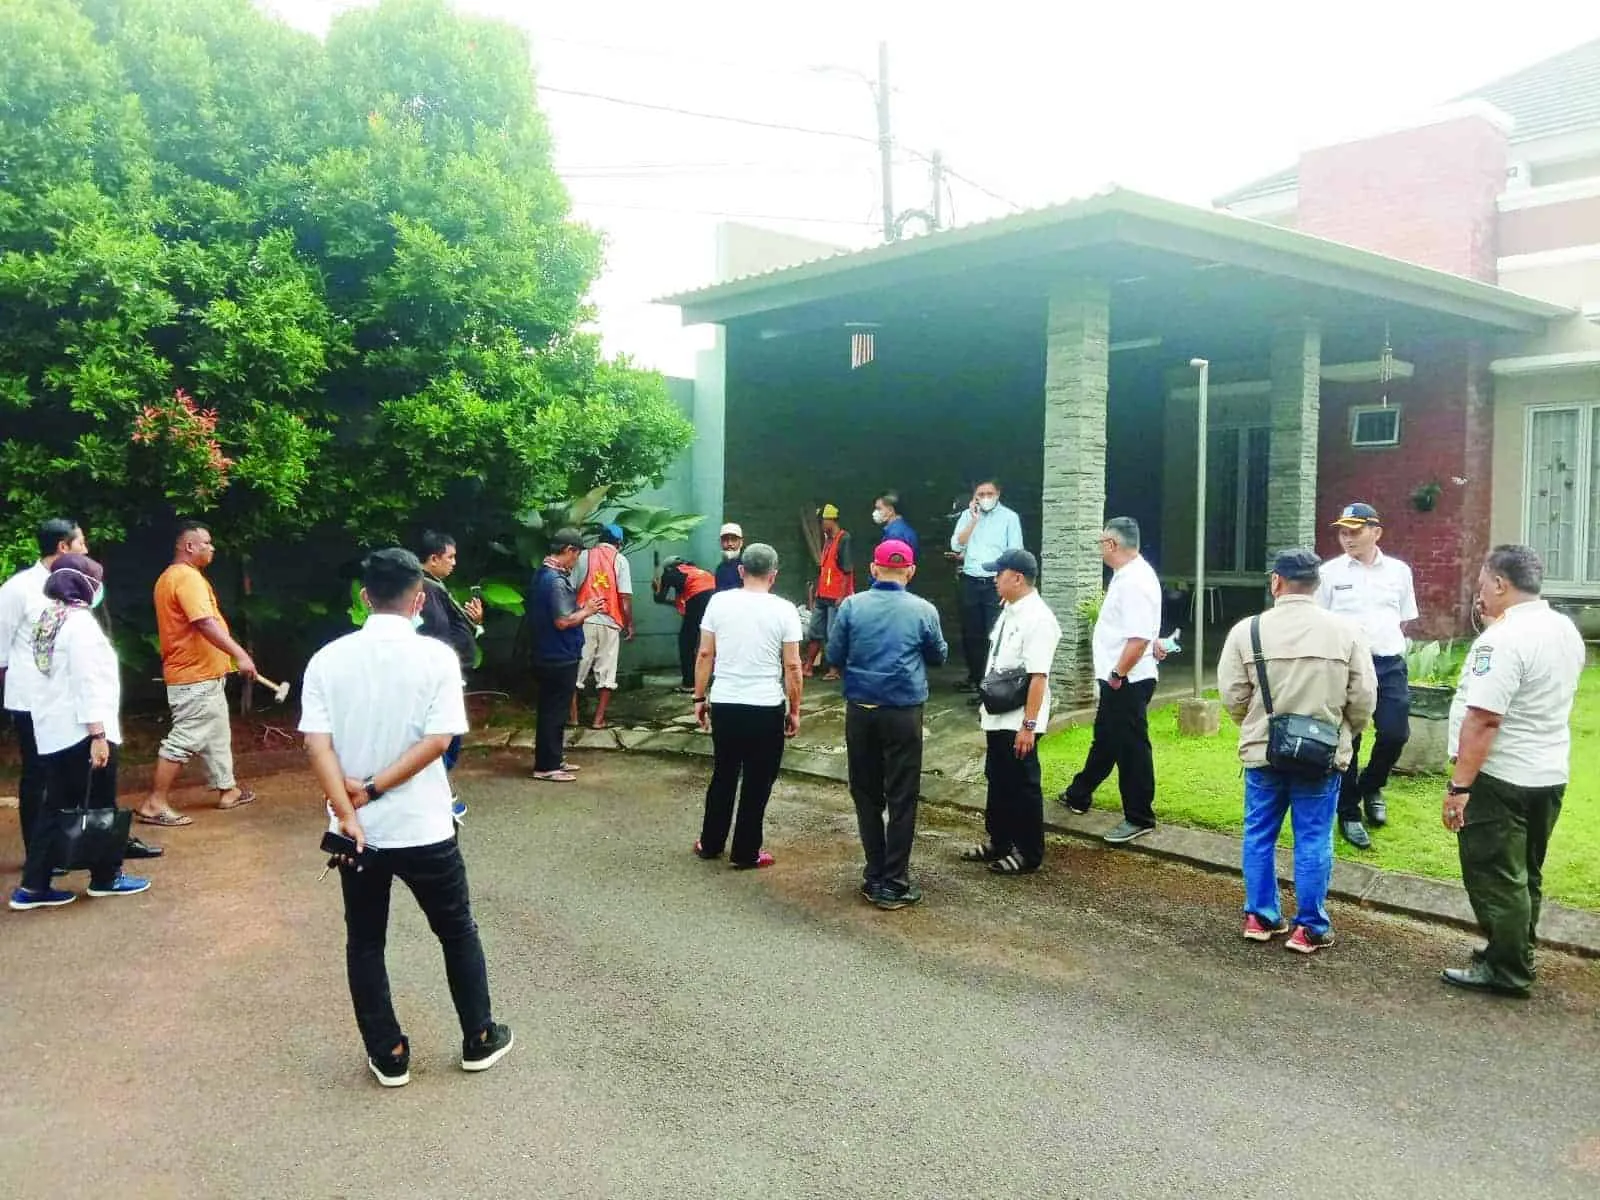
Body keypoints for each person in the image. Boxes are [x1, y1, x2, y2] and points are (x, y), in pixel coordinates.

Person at [299, 548, 513, 1085]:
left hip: (356, 832)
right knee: (456, 930)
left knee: (366, 940)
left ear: (364, 595)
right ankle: (479, 1036)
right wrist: (374, 788)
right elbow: (438, 740)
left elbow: (316, 746)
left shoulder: (327, 659)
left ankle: (388, 1052)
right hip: (424, 826)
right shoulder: (437, 658)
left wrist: (350, 808)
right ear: (419, 598)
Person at [1440, 545, 1586, 998]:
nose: (1479, 593)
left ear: (1501, 583)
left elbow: (1484, 718)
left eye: (1483, 584)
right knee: (1526, 872)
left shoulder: (1502, 640)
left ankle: (1507, 970)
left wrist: (1459, 786)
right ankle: (1514, 951)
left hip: (1501, 776)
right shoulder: (1563, 628)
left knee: (1495, 874)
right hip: (1547, 772)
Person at [1217, 549, 1377, 955]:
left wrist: (1256, 726)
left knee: (1259, 834)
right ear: (1317, 584)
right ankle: (1309, 927)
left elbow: (1233, 696)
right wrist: (1342, 731)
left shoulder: (1247, 631)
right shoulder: (1347, 632)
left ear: (1276, 581)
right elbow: (1363, 698)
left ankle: (1260, 916)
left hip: (1263, 752)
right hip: (1322, 756)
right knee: (1313, 838)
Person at [10, 555, 151, 910]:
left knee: (53, 809)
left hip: (54, 730)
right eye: (95, 580)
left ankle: (33, 886)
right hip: (83, 732)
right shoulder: (80, 625)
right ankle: (106, 876)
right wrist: (98, 735)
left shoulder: (47, 619)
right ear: (82, 584)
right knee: (102, 805)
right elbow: (87, 682)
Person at [827, 538, 947, 909]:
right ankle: (894, 881)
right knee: (901, 795)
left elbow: (834, 654)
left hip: (861, 710)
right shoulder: (923, 610)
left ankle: (873, 873)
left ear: (874, 569)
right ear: (910, 571)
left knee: (865, 793)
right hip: (903, 712)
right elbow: (938, 656)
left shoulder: (851, 606)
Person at [138, 521, 258, 828]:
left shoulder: (171, 577)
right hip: (194, 677)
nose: (211, 548)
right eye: (206, 543)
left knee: (217, 734)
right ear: (189, 546)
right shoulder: (186, 578)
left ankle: (227, 789)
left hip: (202, 675)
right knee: (183, 740)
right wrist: (239, 654)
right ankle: (155, 803)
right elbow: (204, 622)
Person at [691, 543, 802, 869]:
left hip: (725, 701)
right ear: (774, 575)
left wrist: (699, 698)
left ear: (741, 571)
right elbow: (793, 666)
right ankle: (746, 851)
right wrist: (794, 709)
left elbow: (705, 654)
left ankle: (710, 843)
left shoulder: (718, 602)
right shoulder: (785, 610)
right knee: (757, 781)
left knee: (723, 773)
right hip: (766, 706)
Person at [1316, 502, 1418, 851]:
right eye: (1343, 532)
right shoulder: (1329, 573)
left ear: (1376, 532)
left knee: (1395, 732)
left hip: (1389, 662)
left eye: (1355, 531)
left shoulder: (1399, 571)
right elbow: (1320, 621)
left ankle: (1371, 785)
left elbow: (1403, 618)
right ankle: (1348, 813)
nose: (1347, 538)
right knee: (1349, 739)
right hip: (1346, 665)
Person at [1058, 517, 1163, 844]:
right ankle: (1079, 793)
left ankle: (1139, 815)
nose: (1099, 548)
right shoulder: (1128, 575)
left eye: (1101, 542)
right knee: (1106, 737)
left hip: (1127, 678)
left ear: (1112, 544)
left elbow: (1137, 638)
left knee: (1131, 747)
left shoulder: (1134, 581)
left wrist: (1118, 673)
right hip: (1120, 676)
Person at [964, 548, 1061, 876]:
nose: (994, 579)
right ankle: (1000, 840)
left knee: (1022, 785)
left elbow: (1038, 677)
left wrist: (1028, 726)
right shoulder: (1010, 609)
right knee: (999, 780)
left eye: (999, 573)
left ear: (1017, 578)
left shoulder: (1039, 619)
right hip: (997, 713)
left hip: (1019, 717)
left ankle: (1028, 852)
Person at [1, 518, 87, 855]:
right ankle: (38, 855)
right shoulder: (18, 589)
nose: (86, 550)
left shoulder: (76, 585)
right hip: (31, 701)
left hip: (70, 696)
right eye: (81, 543)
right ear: (62, 547)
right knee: (38, 773)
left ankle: (77, 845)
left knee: (74, 771)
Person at [417, 531, 483, 821]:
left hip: (451, 674)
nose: (454, 563)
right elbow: (437, 632)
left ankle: (437, 790)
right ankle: (435, 794)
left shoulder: (435, 586)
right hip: (439, 678)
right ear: (433, 559)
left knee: (451, 734)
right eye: (450, 557)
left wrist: (475, 622)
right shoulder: (425, 589)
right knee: (445, 736)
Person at [528, 528, 600, 783]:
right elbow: (562, 621)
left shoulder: (542, 574)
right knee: (554, 712)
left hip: (547, 651)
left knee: (552, 709)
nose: (576, 560)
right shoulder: (556, 580)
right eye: (576, 555)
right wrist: (587, 611)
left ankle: (553, 759)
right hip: (558, 654)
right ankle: (547, 765)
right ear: (569, 550)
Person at [948, 479, 1022, 698]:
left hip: (994, 582)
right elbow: (956, 545)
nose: (986, 497)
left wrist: (1009, 585)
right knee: (971, 633)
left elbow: (1015, 552)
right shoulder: (967, 516)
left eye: (990, 493)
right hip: (970, 580)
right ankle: (975, 678)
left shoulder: (1009, 518)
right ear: (975, 496)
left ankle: (990, 685)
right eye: (981, 494)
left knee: (993, 633)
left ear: (998, 493)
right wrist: (973, 520)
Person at [571, 524, 635, 730]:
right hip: (610, 620)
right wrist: (629, 623)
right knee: (607, 672)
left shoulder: (583, 556)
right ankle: (598, 720)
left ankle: (573, 717)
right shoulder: (620, 560)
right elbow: (624, 597)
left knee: (578, 667)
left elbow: (571, 587)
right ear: (619, 543)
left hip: (584, 618)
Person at [803, 503, 854, 680]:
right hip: (823, 594)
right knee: (814, 631)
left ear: (831, 520)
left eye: (823, 521)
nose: (821, 525)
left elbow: (847, 570)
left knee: (833, 634)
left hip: (836, 597)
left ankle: (834, 669)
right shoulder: (828, 540)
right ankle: (808, 665)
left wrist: (842, 595)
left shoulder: (843, 539)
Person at [654, 555, 717, 694]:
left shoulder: (670, 573)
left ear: (669, 567)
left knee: (686, 642)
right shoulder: (696, 572)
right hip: (715, 598)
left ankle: (689, 683)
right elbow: (683, 603)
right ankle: (714, 679)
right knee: (711, 641)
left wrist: (656, 586)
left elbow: (659, 598)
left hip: (698, 599)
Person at [871, 492, 918, 559]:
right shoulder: (903, 529)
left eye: (879, 509)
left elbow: (893, 565)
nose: (875, 512)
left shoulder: (895, 535)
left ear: (890, 510)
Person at [714, 523, 745, 592]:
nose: (729, 543)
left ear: (741, 542)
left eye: (733, 539)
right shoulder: (720, 568)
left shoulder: (747, 566)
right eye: (725, 539)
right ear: (720, 542)